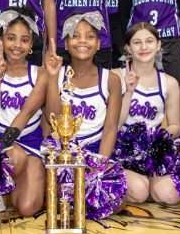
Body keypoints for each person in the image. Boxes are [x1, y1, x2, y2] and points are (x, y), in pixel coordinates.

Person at [0, 6, 49, 217]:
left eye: (24, 40)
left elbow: (28, 112)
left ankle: (9, 180)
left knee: (28, 208)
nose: (17, 45)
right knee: (17, 159)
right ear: (1, 40)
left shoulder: (41, 74)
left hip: (29, 140)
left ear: (31, 45)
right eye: (11, 38)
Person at [111, 22, 180, 204]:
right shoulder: (115, 76)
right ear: (128, 48)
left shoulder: (170, 83)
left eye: (149, 41)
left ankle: (149, 181)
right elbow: (113, 125)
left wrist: (160, 137)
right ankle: (137, 181)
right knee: (139, 192)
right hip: (121, 151)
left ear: (158, 45)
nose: (144, 47)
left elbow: (176, 126)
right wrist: (128, 92)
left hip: (153, 152)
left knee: (170, 195)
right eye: (137, 42)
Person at [43, 13, 122, 157]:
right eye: (75, 36)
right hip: (62, 151)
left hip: (98, 150)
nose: (82, 41)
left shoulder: (111, 79)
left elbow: (111, 128)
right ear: (66, 44)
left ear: (98, 44)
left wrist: (100, 164)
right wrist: (53, 78)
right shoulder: (56, 75)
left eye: (89, 36)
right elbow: (52, 119)